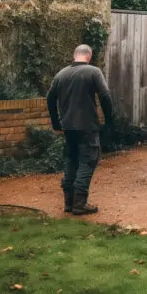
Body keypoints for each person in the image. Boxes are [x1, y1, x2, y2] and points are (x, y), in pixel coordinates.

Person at [47, 44, 113, 215]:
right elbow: (105, 95)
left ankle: (68, 203)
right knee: (87, 162)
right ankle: (79, 204)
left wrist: (56, 123)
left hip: (68, 128)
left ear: (74, 55)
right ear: (89, 56)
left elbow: (49, 98)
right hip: (87, 127)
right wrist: (110, 120)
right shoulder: (93, 72)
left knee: (71, 161)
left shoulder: (61, 74)